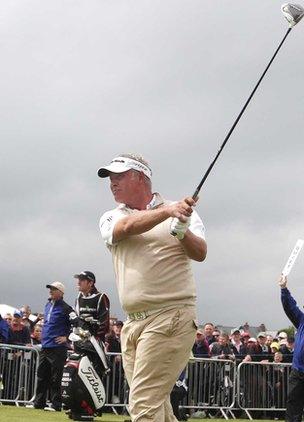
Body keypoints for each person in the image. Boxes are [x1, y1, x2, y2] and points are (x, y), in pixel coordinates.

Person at [98, 153, 207, 421]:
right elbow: (125, 228)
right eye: (110, 178)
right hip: (133, 324)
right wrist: (167, 213)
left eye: (119, 176)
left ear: (141, 177)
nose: (113, 183)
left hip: (172, 316)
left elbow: (200, 252)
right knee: (157, 406)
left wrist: (182, 231)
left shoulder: (181, 212)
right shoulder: (112, 216)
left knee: (144, 405)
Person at [30, 281, 73, 412]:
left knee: (56, 376)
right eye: (50, 289)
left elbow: (77, 324)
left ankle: (56, 404)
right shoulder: (48, 304)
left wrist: (66, 337)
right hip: (46, 345)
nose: (50, 291)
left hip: (58, 347)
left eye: (54, 289)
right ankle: (39, 403)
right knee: (42, 375)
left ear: (61, 292)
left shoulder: (67, 308)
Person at [279, 274, 304, 422]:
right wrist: (283, 288)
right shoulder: (301, 320)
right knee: (293, 406)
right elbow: (290, 306)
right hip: (298, 372)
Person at [73, 270, 109, 340]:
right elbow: (76, 320)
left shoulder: (100, 297)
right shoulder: (78, 298)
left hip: (95, 342)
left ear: (91, 283)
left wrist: (95, 337)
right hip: (80, 341)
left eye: (82, 280)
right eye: (78, 280)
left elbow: (104, 322)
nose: (78, 282)